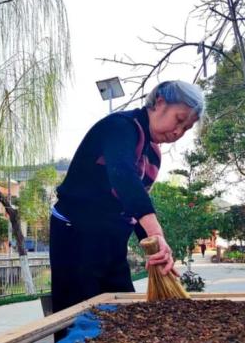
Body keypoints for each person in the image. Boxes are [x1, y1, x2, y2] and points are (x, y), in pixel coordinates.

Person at [49, 80, 204, 315]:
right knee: (79, 316)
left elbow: (134, 204)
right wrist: (156, 232)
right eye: (179, 120)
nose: (178, 132)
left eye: (186, 129)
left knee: (123, 314)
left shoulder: (152, 154)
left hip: (113, 240)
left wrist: (156, 250)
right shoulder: (119, 127)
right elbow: (124, 178)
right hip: (76, 234)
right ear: (160, 103)